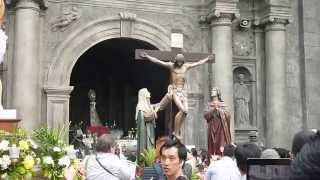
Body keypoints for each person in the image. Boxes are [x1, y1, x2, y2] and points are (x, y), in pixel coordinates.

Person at [140, 52, 213, 138]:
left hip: (183, 92)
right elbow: (158, 61)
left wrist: (207, 59)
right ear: (176, 61)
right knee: (182, 110)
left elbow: (198, 63)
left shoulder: (186, 66)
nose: (180, 63)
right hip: (175, 91)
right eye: (178, 62)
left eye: (181, 62)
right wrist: (148, 56)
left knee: (186, 112)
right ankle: (176, 132)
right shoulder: (171, 66)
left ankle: (176, 131)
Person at [136, 88, 158, 156]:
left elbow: (159, 105)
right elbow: (147, 118)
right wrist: (154, 112)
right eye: (147, 97)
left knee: (150, 149)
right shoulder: (141, 108)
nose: (149, 98)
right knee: (146, 149)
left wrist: (154, 111)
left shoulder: (149, 106)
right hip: (145, 134)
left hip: (150, 132)